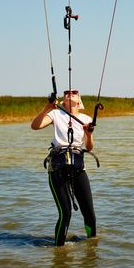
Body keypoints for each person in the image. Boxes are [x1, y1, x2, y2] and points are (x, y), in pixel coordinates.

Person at [31, 89, 96, 246]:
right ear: (62, 100)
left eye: (74, 92)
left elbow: (89, 147)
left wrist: (88, 134)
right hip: (57, 169)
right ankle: (59, 250)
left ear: (79, 101)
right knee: (65, 213)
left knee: (89, 214)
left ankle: (93, 247)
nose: (70, 93)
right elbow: (35, 126)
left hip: (79, 169)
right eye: (67, 92)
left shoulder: (86, 118)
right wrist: (47, 107)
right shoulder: (55, 114)